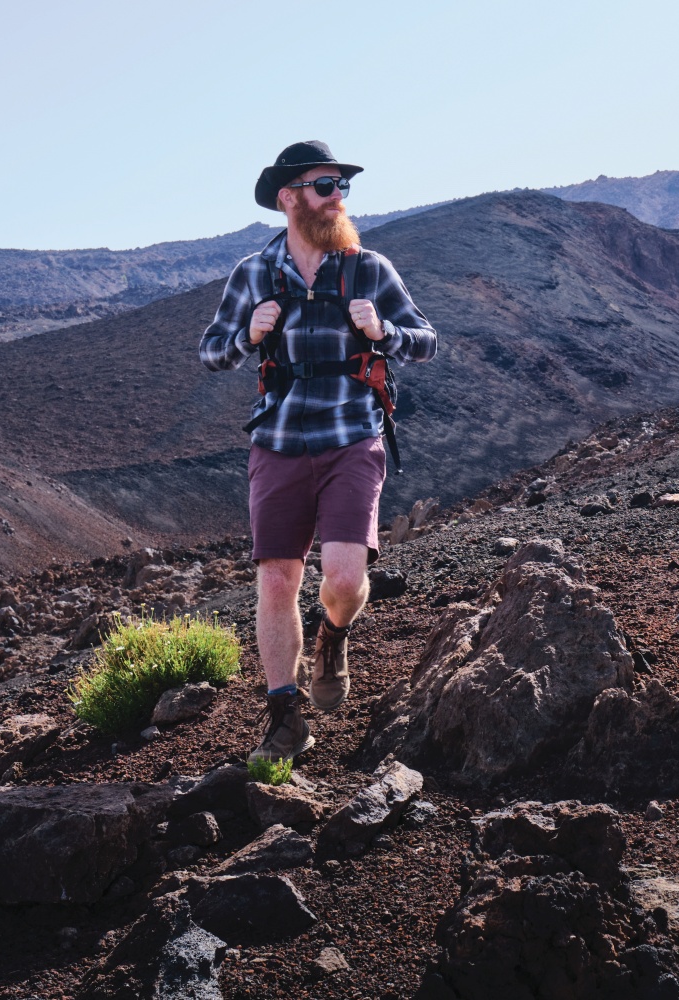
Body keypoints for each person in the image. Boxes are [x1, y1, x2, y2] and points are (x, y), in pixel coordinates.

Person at [199, 140, 437, 764]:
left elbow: (426, 341)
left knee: (344, 579)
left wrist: (383, 331)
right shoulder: (253, 273)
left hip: (351, 437)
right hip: (276, 441)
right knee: (277, 579)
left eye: (341, 187)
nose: (337, 197)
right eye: (325, 185)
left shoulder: (367, 269)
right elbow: (210, 350)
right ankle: (284, 718)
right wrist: (247, 335)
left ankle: (333, 637)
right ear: (289, 197)